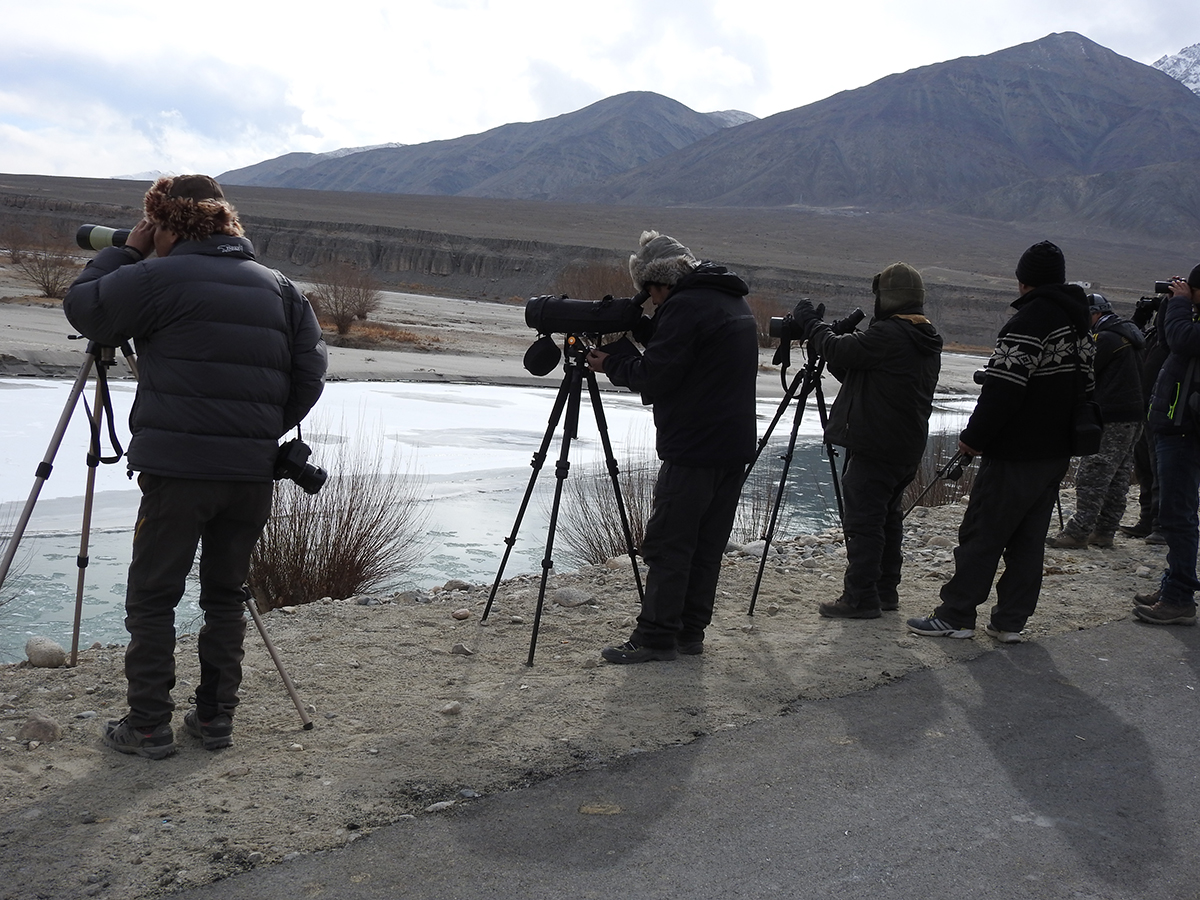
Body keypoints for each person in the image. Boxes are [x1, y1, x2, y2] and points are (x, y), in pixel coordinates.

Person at [63, 175, 328, 757]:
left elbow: (85, 309)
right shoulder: (282, 290)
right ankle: (214, 721)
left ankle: (149, 725)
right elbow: (311, 378)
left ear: (163, 223)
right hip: (252, 473)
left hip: (179, 475)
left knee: (154, 595)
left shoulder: (153, 276)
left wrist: (126, 251)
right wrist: (255, 430)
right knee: (225, 596)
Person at [907, 241, 1093, 642]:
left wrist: (973, 439)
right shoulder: (1079, 322)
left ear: (1024, 281)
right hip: (1057, 451)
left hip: (1016, 451)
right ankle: (1010, 622)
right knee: (1028, 541)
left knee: (982, 534)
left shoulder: (1030, 321)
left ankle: (955, 615)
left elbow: (1004, 389)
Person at [586, 231, 758, 663]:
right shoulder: (727, 299)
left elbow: (657, 375)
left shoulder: (686, 306)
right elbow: (688, 353)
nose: (652, 302)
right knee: (706, 544)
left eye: (650, 293)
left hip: (694, 447)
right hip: (732, 446)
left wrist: (613, 363)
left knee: (669, 544)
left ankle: (656, 636)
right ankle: (689, 632)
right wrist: (642, 330)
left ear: (660, 281)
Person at [790, 263, 943, 618]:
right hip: (905, 447)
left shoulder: (890, 334)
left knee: (864, 522)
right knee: (887, 518)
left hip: (875, 446)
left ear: (887, 299)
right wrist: (831, 343)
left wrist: (811, 323)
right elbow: (865, 374)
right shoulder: (924, 337)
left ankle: (860, 599)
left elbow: (842, 352)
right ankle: (885, 591)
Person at [1047, 292, 1145, 549]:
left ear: (1095, 314)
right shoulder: (1126, 334)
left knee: (1093, 474)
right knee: (1117, 476)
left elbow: (1082, 374)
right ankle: (1104, 531)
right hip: (1133, 416)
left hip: (1111, 415)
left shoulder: (1106, 339)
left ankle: (1078, 533)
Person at [1134, 264, 1200, 626]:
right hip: (1176, 428)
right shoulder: (1188, 319)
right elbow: (1165, 340)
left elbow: (1181, 339)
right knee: (1176, 515)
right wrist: (1171, 307)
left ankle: (1179, 598)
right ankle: (1174, 585)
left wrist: (1178, 304)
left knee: (1178, 517)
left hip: (1186, 432)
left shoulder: (1191, 327)